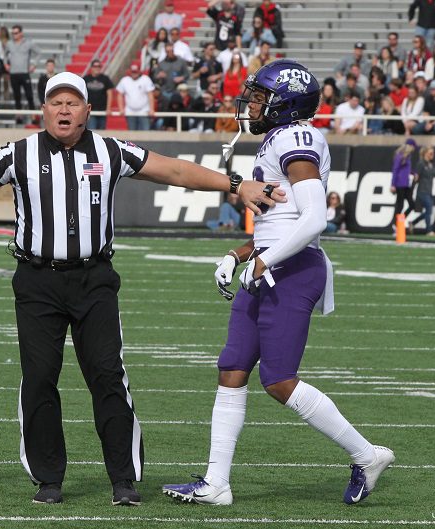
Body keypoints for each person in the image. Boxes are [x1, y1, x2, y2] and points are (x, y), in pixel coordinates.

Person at [0, 70, 285, 507]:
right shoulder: (18, 153)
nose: (64, 110)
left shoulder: (111, 149)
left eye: (72, 103)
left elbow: (175, 170)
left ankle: (123, 477)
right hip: (37, 280)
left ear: (87, 109)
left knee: (107, 375)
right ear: (43, 110)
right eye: (56, 102)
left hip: (94, 279)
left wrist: (236, 185)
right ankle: (48, 479)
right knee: (40, 378)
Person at [162, 59, 395, 507]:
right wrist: (240, 254)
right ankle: (216, 483)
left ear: (285, 105)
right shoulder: (279, 138)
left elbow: (312, 220)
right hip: (273, 265)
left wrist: (265, 261)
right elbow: (281, 223)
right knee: (232, 369)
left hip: (293, 270)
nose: (250, 105)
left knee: (278, 380)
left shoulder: (296, 137)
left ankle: (367, 455)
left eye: (259, 97)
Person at [5, 25, 39, 122]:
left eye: (16, 33)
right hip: (13, 73)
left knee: (29, 95)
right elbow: (4, 54)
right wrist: (6, 64)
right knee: (17, 96)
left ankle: (33, 116)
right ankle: (18, 116)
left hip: (24, 72)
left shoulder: (28, 43)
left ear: (21, 33)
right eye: (13, 33)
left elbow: (39, 52)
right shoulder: (9, 44)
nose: (14, 35)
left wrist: (33, 64)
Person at [411, 145, 435, 234]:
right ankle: (429, 230)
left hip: (429, 191)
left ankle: (412, 223)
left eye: (433, 153)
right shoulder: (421, 164)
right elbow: (416, 177)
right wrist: (411, 190)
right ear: (425, 153)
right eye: (431, 153)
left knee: (428, 211)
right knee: (429, 210)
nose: (432, 154)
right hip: (422, 191)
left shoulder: (432, 165)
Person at [116, 63, 155, 130]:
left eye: (136, 72)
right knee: (132, 133)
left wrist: (151, 109)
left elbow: (150, 95)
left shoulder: (145, 79)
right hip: (130, 111)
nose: (134, 73)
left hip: (144, 111)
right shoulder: (125, 80)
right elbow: (119, 94)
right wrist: (121, 108)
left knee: (146, 133)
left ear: (139, 71)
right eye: (133, 72)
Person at [391, 138, 418, 230]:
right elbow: (395, 170)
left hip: (406, 184)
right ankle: (395, 225)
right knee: (400, 205)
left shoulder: (407, 156)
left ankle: (399, 221)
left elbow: (406, 170)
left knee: (412, 205)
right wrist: (393, 184)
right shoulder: (400, 156)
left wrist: (413, 173)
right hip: (399, 184)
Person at [83, 59, 114, 130]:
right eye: (95, 66)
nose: (97, 68)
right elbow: (82, 94)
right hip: (91, 111)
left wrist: (108, 108)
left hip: (102, 111)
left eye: (99, 66)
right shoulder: (86, 79)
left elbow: (110, 94)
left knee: (102, 133)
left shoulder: (105, 79)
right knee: (92, 131)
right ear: (91, 67)